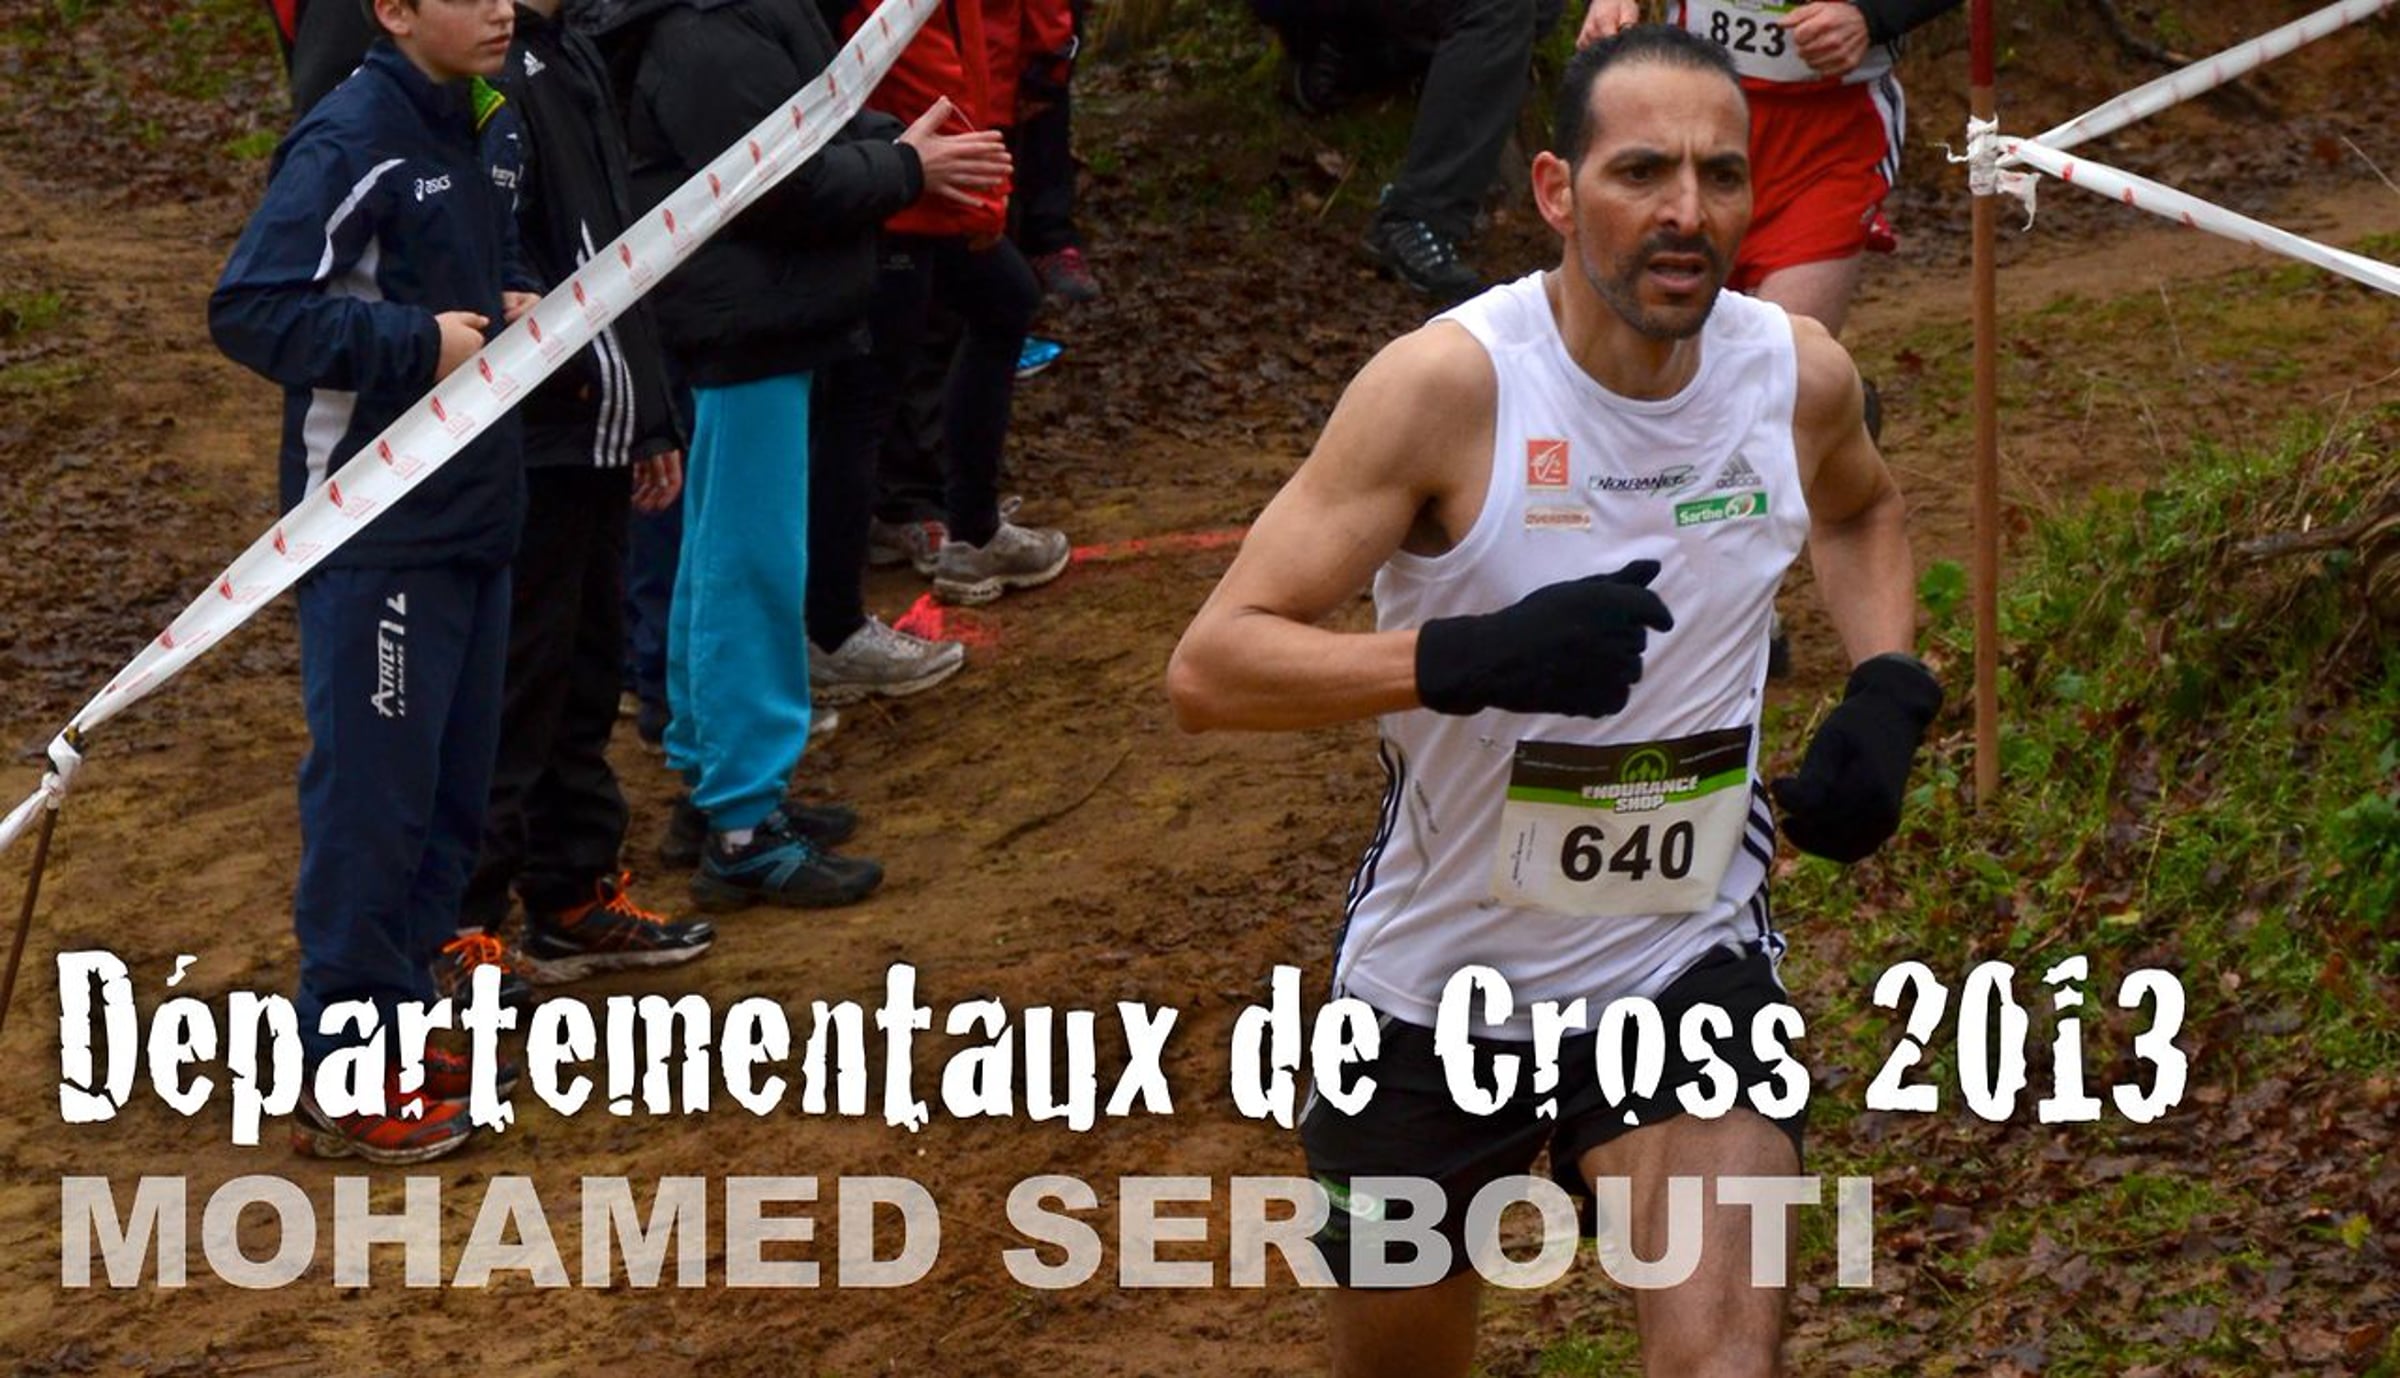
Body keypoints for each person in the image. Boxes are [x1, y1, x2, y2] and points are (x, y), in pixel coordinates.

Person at [1167, 26, 1941, 1374]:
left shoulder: (1793, 374)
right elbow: (1213, 666)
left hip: (1681, 960)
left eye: (1719, 174)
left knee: (1724, 1363)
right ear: (1556, 191)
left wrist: (1887, 687)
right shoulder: (1448, 387)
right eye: (1642, 171)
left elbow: (1862, 511)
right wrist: (1463, 657)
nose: (1686, 210)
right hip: (1433, 989)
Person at [584, 0, 1009, 909]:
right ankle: (742, 825)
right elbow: (777, 184)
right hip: (747, 324)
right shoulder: (703, 32)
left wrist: (893, 144)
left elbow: (816, 117)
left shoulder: (736, 17)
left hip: (759, 318)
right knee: (751, 568)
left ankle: (716, 789)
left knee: (726, 559)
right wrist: (908, 167)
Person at [210, 0, 535, 1163]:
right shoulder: (350, 136)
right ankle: (343, 1075)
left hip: (477, 516)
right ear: (394, 10)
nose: (500, 5)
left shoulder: (488, 116)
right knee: (373, 807)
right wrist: (418, 344)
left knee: (450, 803)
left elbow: (484, 266)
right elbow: (251, 307)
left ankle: (404, 1023)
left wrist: (514, 302)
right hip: (374, 531)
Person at [450, 0, 717, 981]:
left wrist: (648, 410)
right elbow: (474, 251)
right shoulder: (485, 71)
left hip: (601, 423)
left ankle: (572, 890)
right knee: (515, 689)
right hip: (530, 436)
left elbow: (617, 253)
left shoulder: (575, 58)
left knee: (586, 677)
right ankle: (466, 928)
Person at [1580, 0, 1959, 340]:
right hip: (1689, 121)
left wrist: (1870, 16)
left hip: (1827, 139)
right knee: (1649, 357)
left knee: (1783, 358)